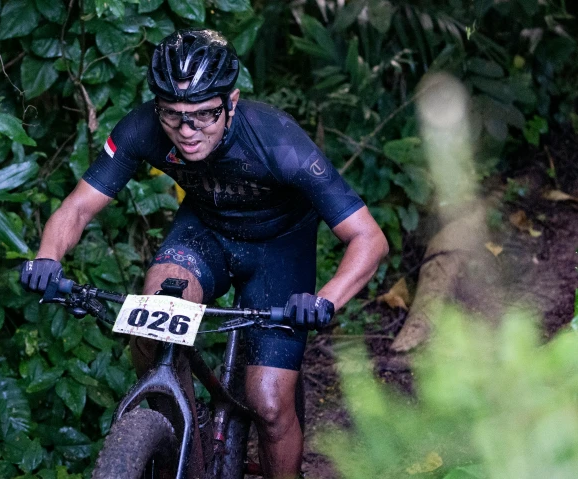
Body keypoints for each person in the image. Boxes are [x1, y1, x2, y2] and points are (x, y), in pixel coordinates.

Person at [21, 29, 388, 479]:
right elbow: (78, 207)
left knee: (269, 404)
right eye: (173, 116)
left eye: (204, 115)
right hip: (205, 234)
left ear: (231, 102)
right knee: (152, 320)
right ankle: (176, 435)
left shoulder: (278, 140)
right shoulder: (142, 128)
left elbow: (369, 238)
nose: (188, 131)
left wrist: (325, 300)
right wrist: (46, 260)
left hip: (279, 247)